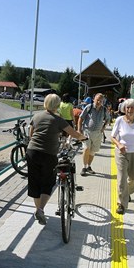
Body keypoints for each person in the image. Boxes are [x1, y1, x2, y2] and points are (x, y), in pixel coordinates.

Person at [27, 94, 87, 225]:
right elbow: (74, 134)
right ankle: (41, 209)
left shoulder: (36, 116)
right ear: (57, 105)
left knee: (35, 182)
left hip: (32, 152)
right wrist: (84, 138)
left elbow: (31, 134)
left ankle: (38, 209)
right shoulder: (58, 120)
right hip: (48, 154)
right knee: (48, 182)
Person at [110, 98, 134, 215]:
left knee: (133, 178)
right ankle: (121, 203)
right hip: (122, 153)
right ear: (124, 109)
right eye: (127, 107)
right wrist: (119, 144)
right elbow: (112, 137)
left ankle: (127, 193)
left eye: (131, 107)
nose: (129, 110)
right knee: (121, 178)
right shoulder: (119, 120)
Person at [77, 93, 109, 176]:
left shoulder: (104, 110)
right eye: (97, 99)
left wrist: (103, 128)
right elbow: (81, 118)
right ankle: (84, 167)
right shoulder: (89, 107)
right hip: (87, 131)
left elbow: (107, 119)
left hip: (98, 133)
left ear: (103, 101)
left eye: (101, 100)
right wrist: (79, 129)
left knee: (93, 151)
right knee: (86, 148)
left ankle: (88, 166)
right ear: (94, 99)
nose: (99, 102)